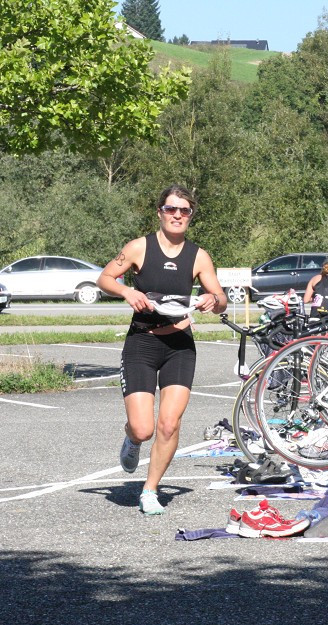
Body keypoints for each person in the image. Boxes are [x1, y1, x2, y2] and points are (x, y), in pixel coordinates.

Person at [97, 184, 227, 515]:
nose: (178, 216)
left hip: (179, 345)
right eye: (171, 209)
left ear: (191, 216)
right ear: (160, 212)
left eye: (185, 211)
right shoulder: (140, 248)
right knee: (144, 427)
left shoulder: (199, 256)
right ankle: (131, 439)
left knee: (169, 423)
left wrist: (213, 300)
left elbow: (220, 299)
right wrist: (127, 293)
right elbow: (106, 278)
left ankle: (150, 490)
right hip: (142, 341)